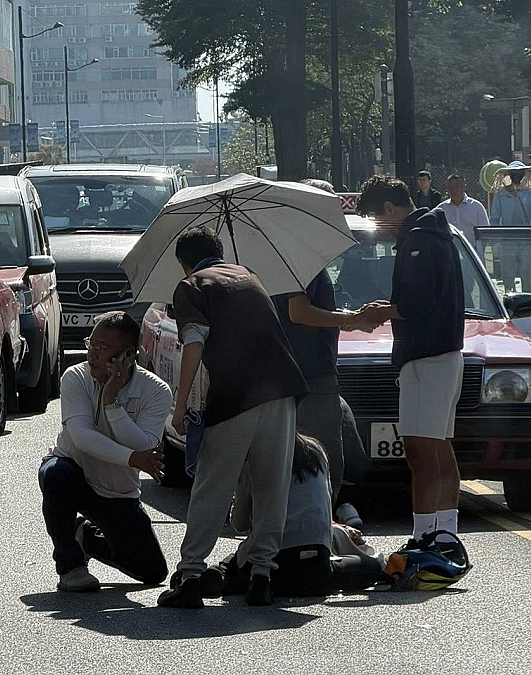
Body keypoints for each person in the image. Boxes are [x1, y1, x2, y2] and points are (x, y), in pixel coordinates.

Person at [157, 226, 308, 608]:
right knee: (272, 485)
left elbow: (194, 343)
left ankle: (190, 576)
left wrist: (179, 406)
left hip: (236, 395)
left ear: (182, 262)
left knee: (213, 484)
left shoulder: (192, 285)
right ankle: (262, 575)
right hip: (282, 388)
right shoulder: (249, 276)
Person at [352, 176, 465, 547]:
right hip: (445, 353)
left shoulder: (417, 240)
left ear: (390, 208)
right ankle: (446, 531)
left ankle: (424, 535)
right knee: (439, 445)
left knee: (418, 448)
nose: (377, 228)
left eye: (375, 217)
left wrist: (384, 311)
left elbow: (418, 304)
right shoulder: (437, 233)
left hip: (425, 356)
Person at [37, 311, 171, 592]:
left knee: (152, 571)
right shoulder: (75, 377)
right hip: (76, 475)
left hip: (117, 492)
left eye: (103, 348)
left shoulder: (156, 391)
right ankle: (70, 565)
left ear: (128, 355)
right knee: (55, 474)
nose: (93, 354)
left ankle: (86, 536)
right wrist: (133, 459)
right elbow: (81, 436)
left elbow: (145, 445)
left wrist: (111, 401)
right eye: (91, 344)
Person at [270, 178, 373, 525]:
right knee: (326, 454)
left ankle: (305, 525)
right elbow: (298, 312)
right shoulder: (300, 254)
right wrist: (352, 320)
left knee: (300, 454)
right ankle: (320, 528)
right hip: (310, 373)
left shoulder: (288, 250)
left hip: (292, 371)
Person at [217, 432, 385, 597]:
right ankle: (228, 577)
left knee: (242, 555)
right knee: (373, 566)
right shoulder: (316, 450)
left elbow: (240, 524)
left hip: (265, 570)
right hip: (316, 570)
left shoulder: (253, 457)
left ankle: (221, 574)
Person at [490, 161, 531, 293]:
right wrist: (496, 241)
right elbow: (495, 219)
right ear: (508, 175)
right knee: (507, 273)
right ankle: (510, 300)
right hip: (507, 241)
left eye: (519, 173)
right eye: (514, 173)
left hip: (526, 240)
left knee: (527, 272)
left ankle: (528, 299)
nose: (517, 176)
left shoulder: (529, 194)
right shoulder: (501, 196)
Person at [438, 174, 491, 248]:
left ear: (464, 187)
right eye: (451, 187)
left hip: (472, 252)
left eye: (457, 187)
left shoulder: (476, 207)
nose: (454, 190)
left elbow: (485, 233)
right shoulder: (441, 209)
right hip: (449, 252)